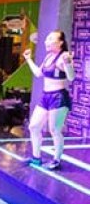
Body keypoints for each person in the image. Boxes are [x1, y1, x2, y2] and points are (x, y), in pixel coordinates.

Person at [23, 30, 75, 170]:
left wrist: (68, 63)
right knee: (34, 126)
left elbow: (71, 77)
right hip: (46, 96)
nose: (46, 41)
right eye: (47, 39)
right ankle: (36, 157)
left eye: (51, 39)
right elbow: (38, 73)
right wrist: (28, 59)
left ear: (60, 42)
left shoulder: (64, 56)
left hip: (59, 97)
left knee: (54, 130)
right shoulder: (48, 57)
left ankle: (56, 160)